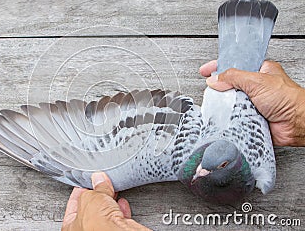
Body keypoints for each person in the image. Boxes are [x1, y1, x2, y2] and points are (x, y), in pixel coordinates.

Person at [61, 60, 305, 231]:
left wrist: (297, 112)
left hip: (243, 97)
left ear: (230, 165)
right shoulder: (191, 164)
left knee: (92, 171)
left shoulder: (259, 175)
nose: (199, 170)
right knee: (104, 171)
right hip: (236, 95)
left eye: (208, 168)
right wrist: (296, 112)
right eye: (202, 166)